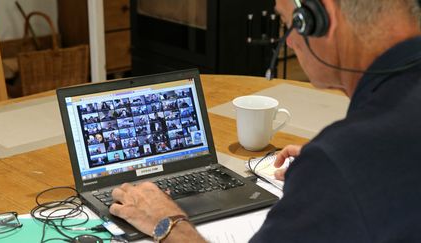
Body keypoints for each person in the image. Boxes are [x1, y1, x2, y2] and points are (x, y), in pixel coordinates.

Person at [109, 0, 421, 242]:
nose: (287, 44)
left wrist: (168, 224)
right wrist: (330, 173)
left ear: (319, 18)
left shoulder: (343, 161)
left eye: (287, 24)